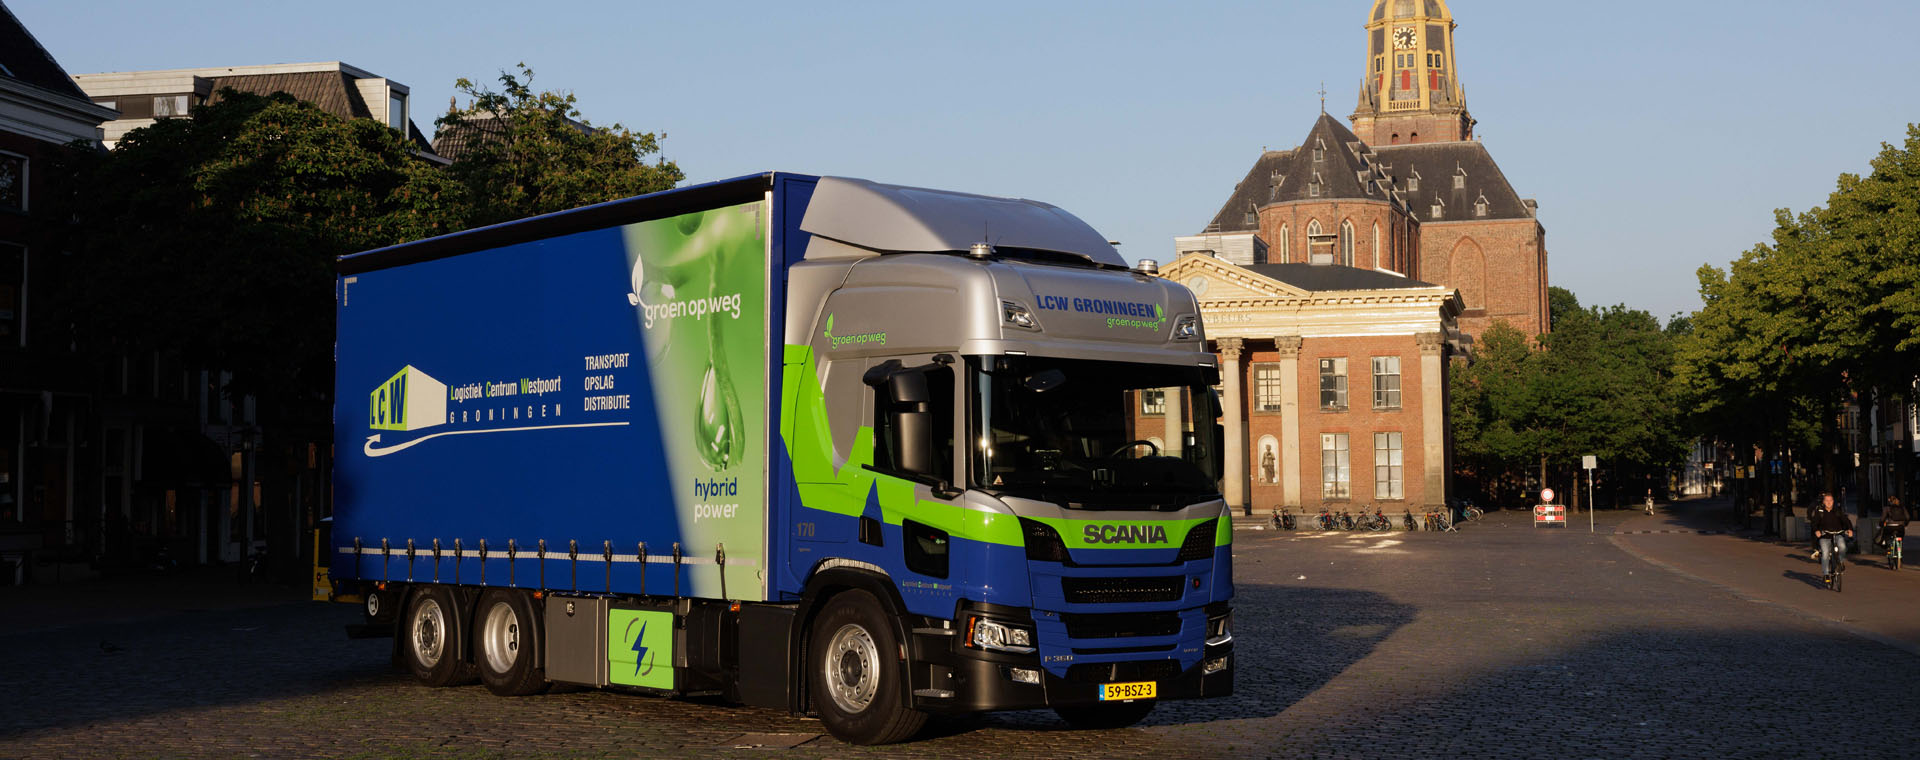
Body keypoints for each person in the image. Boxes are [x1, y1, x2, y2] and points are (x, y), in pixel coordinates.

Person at [1807, 492, 1853, 581]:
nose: (1829, 502)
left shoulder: (1837, 511)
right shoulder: (1820, 512)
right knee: (1825, 554)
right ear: (1823, 502)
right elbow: (1814, 523)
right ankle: (1826, 574)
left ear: (1833, 501)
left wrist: (1850, 529)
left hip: (1837, 534)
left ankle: (1840, 562)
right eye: (1826, 500)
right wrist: (1817, 531)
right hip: (1825, 536)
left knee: (1843, 547)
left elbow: (1846, 520)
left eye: (1830, 500)